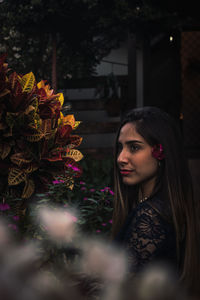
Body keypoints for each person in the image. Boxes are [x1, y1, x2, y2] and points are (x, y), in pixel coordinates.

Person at [111, 106, 199, 296]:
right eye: (120, 147)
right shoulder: (161, 208)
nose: (121, 158)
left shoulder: (151, 216)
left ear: (161, 152)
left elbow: (120, 290)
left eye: (134, 147)